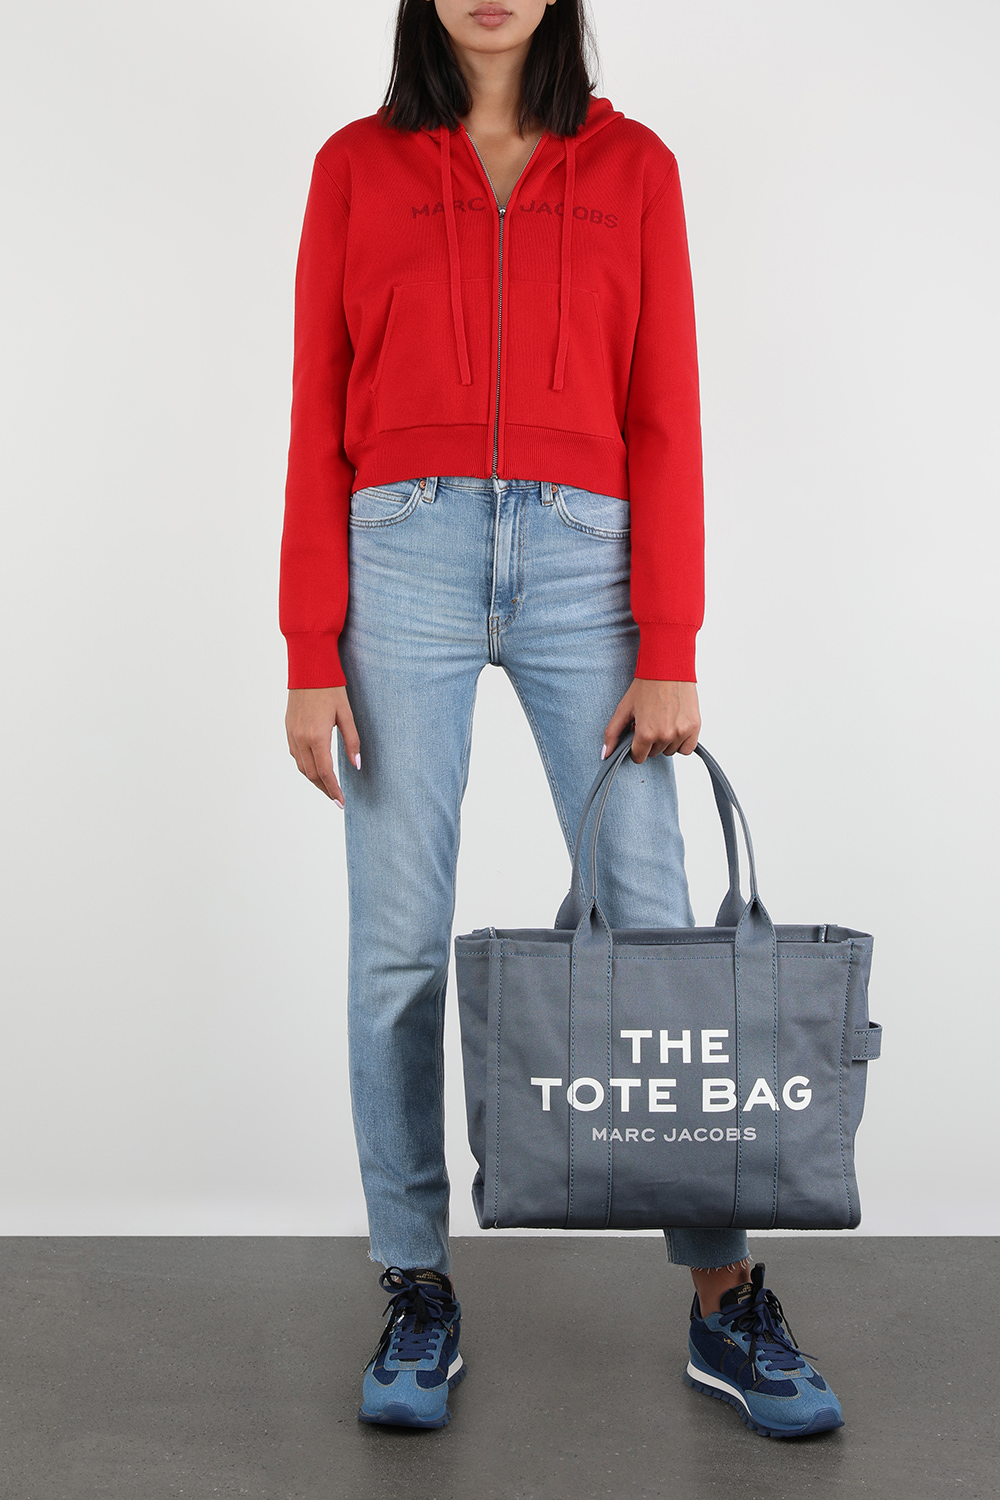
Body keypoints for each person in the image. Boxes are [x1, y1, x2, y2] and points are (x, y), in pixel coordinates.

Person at [279, 0, 843, 1439]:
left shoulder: (635, 167)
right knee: (397, 943)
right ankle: (415, 1282)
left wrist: (671, 639)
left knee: (654, 924)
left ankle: (724, 1298)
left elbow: (667, 410)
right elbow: (315, 409)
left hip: (590, 566)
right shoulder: (354, 166)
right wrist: (308, 642)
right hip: (398, 556)